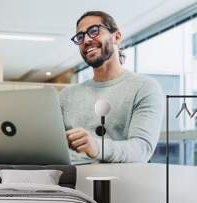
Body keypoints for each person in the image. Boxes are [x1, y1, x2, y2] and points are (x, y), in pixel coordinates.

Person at [61, 11, 164, 163]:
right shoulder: (67, 95)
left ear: (116, 37)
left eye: (94, 31)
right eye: (80, 36)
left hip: (116, 181)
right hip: (66, 179)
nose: (87, 40)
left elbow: (142, 148)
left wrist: (97, 147)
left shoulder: (144, 87)